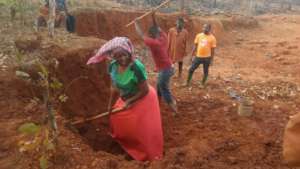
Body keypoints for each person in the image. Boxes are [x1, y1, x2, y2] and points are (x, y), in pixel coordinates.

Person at [87, 37, 163, 161]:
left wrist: (130, 101)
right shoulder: (113, 66)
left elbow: (145, 90)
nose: (122, 59)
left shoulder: (136, 67)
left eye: (124, 55)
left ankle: (147, 156)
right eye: (118, 57)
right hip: (126, 97)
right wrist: (110, 105)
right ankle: (126, 145)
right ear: (113, 57)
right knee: (116, 119)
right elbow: (114, 88)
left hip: (143, 98)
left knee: (142, 131)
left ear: (129, 52)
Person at [134, 12, 178, 115]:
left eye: (150, 35)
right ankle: (158, 104)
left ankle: (174, 109)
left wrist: (136, 23)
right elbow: (157, 27)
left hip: (165, 69)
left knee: (164, 89)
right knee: (159, 86)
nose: (149, 36)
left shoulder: (154, 43)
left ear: (152, 35)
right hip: (168, 67)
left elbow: (141, 35)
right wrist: (153, 16)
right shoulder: (163, 37)